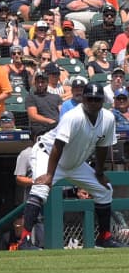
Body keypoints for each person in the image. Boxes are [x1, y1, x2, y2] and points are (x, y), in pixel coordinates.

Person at [28, 81, 119, 247]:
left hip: (74, 163)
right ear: (83, 99)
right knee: (41, 189)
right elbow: (58, 145)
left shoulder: (108, 118)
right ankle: (23, 240)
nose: (93, 102)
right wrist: (49, 175)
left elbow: (102, 147)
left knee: (105, 190)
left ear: (102, 101)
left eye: (97, 99)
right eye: (89, 98)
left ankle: (104, 238)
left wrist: (98, 173)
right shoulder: (73, 116)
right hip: (47, 154)